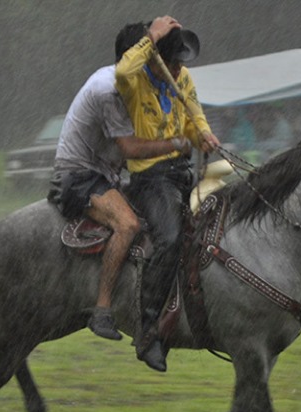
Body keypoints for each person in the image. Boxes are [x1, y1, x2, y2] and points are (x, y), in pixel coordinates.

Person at [49, 21, 194, 341]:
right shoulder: (110, 90)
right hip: (79, 175)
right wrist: (176, 144)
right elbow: (130, 149)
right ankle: (102, 309)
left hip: (106, 175)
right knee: (127, 225)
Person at [115, 16, 220, 372]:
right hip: (150, 179)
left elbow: (194, 116)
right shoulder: (134, 81)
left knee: (223, 212)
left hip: (182, 171)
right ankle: (148, 331)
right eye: (172, 63)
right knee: (171, 238)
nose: (178, 70)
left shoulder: (183, 77)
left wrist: (203, 135)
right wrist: (151, 37)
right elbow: (122, 70)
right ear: (156, 58)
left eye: (180, 63)